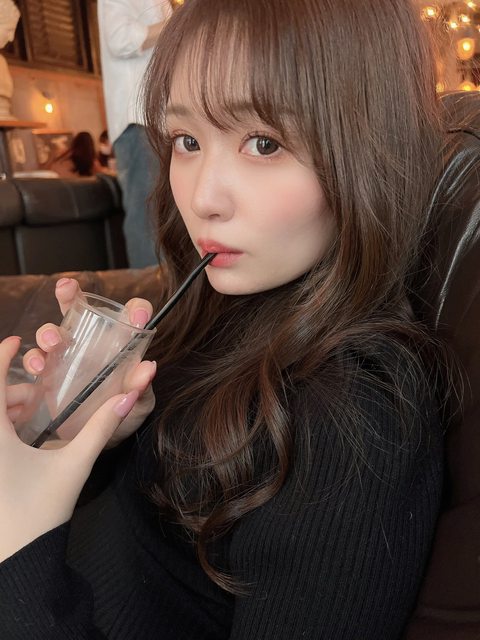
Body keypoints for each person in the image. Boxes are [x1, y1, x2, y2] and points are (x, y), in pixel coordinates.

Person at [0, 0, 451, 638]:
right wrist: (96, 438)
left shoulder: (354, 421)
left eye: (263, 143)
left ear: (369, 149)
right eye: (187, 141)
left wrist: (18, 540)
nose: (202, 198)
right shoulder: (225, 305)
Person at [97, 0, 172, 268]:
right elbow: (119, 38)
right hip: (138, 118)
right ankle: (150, 291)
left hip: (164, 121)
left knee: (167, 217)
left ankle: (174, 290)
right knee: (147, 217)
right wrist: (176, 23)